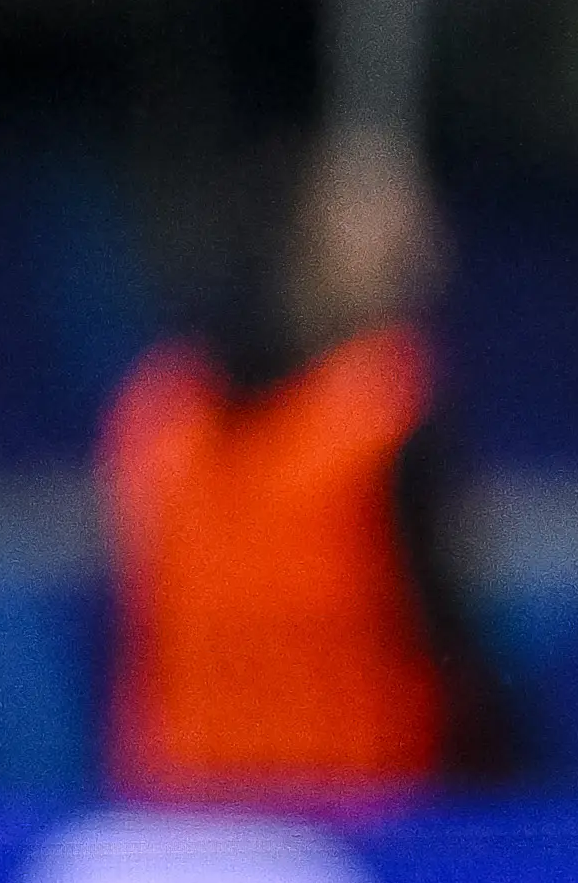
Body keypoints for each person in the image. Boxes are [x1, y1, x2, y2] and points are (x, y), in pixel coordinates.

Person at [99, 129, 516, 801]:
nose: (424, 244)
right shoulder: (389, 408)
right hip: (326, 831)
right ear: (308, 235)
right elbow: (452, 642)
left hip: (221, 816)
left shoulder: (157, 407)